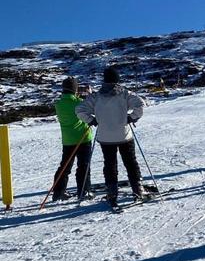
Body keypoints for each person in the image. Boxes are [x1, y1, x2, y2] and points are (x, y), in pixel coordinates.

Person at [76, 67, 146, 206]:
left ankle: (112, 192)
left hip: (105, 138)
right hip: (124, 135)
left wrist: (92, 120)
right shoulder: (124, 93)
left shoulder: (96, 97)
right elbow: (140, 104)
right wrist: (131, 118)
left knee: (110, 164)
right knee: (131, 162)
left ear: (105, 80)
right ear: (117, 79)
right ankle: (138, 189)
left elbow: (79, 110)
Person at [51, 77, 94, 201]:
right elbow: (91, 108)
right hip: (83, 138)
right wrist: (89, 94)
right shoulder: (79, 102)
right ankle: (84, 191)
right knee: (83, 166)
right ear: (75, 89)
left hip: (68, 140)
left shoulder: (58, 104)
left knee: (65, 166)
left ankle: (58, 192)